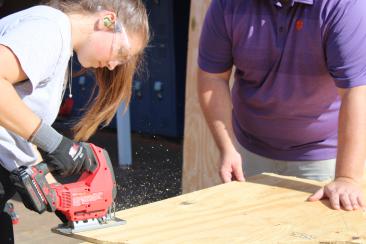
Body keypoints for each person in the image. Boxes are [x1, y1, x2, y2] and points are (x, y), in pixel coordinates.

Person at [0, 0, 149, 242]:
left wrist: (53, 190)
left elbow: (12, 123)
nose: (113, 65)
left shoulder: (55, 36)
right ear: (107, 20)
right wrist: (56, 144)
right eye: (120, 53)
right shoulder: (49, 29)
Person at [198, 0, 366, 212]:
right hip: (247, 152)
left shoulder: (344, 5)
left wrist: (347, 177)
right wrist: (227, 147)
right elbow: (213, 78)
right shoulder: (228, 4)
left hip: (324, 159)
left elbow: (356, 91)